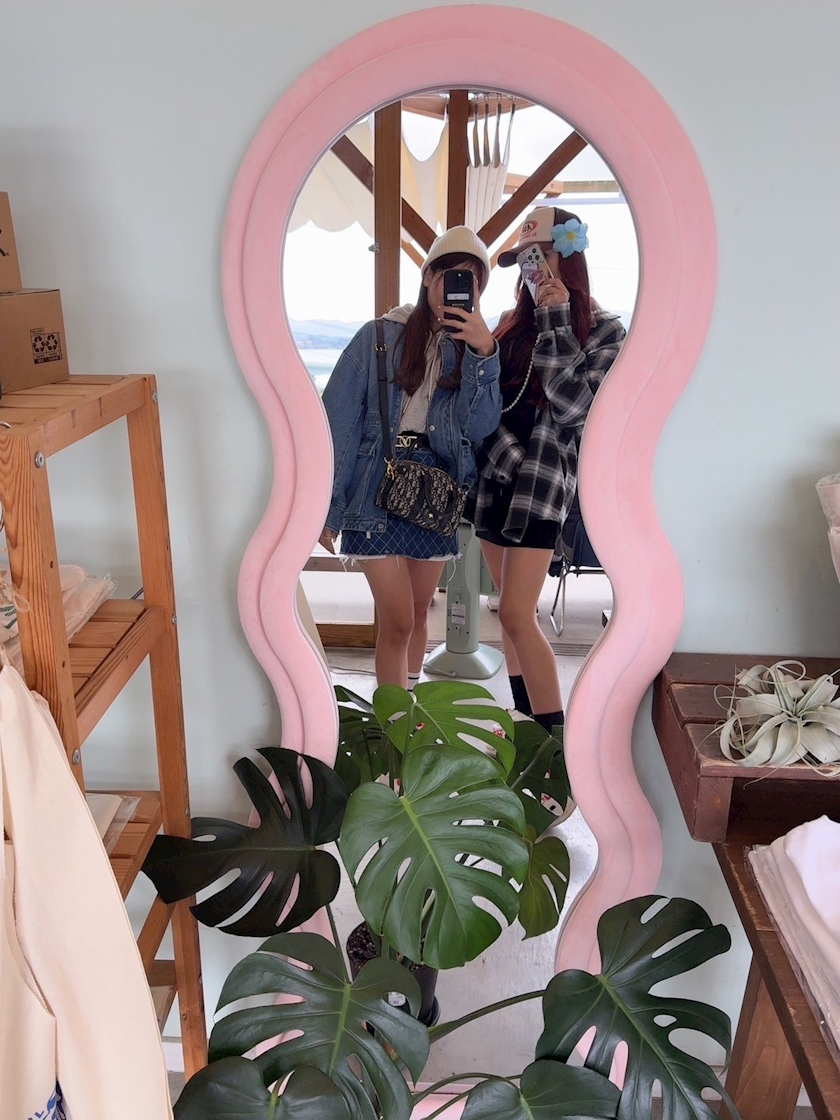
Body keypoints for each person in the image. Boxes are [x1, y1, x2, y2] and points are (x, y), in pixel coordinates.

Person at [319, 227, 501, 689]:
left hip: (433, 492)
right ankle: (393, 721)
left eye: (471, 280)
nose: (458, 287)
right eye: (449, 274)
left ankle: (410, 706)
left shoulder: (472, 349)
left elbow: (479, 426)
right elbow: (337, 422)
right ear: (428, 277)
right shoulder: (378, 337)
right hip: (373, 489)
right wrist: (328, 508)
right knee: (398, 620)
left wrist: (483, 355)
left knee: (419, 614)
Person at [467, 206, 626, 733]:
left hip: (541, 485)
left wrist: (557, 319)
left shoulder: (605, 331)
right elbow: (482, 409)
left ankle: (554, 745)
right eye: (524, 261)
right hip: (495, 477)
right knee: (513, 614)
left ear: (570, 258)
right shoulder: (510, 325)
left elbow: (576, 409)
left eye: (541, 257)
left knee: (516, 613)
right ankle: (526, 723)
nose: (532, 270)